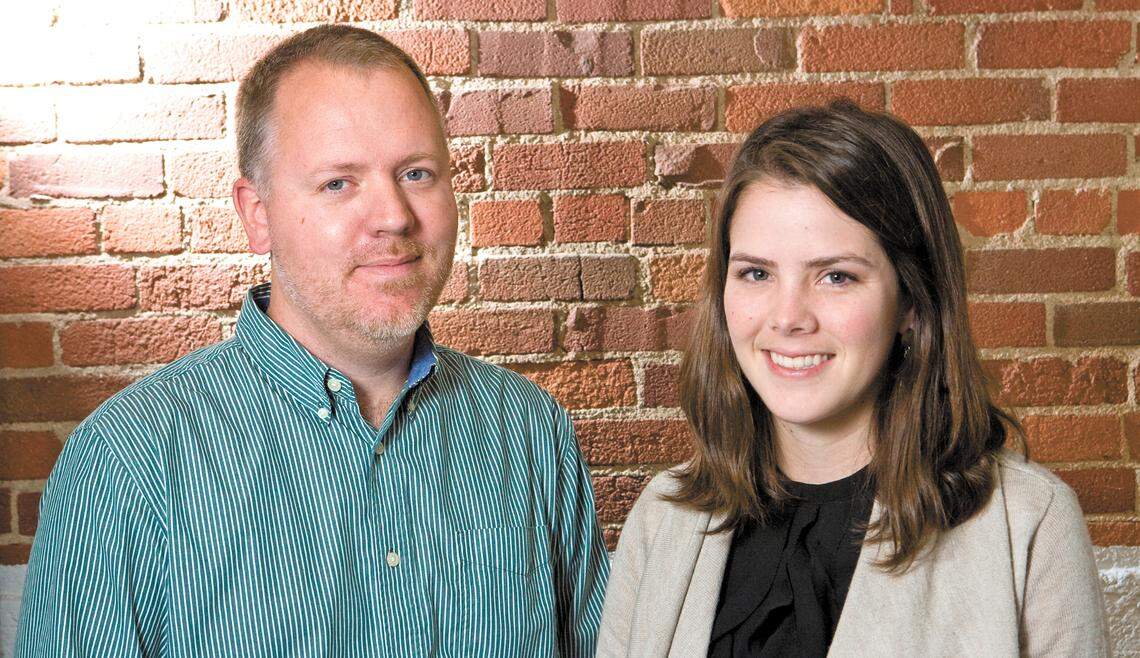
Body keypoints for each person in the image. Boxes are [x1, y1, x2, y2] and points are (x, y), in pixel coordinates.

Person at [16, 24, 608, 657]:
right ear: (257, 215)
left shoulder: (528, 430)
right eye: (337, 183)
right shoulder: (124, 465)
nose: (393, 217)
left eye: (416, 173)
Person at [596, 101, 1109, 657]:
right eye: (756, 273)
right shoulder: (663, 519)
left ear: (912, 300)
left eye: (836, 276)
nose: (788, 317)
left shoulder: (1030, 525)